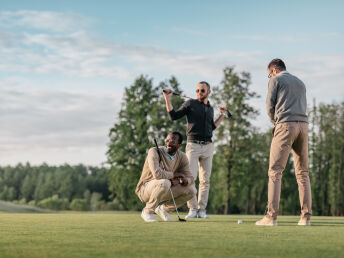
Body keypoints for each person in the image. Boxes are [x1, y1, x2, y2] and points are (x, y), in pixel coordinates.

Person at [256, 58, 312, 226]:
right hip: (304, 127)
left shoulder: (276, 80)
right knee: (303, 173)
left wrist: (276, 122)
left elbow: (269, 106)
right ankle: (305, 218)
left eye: (269, 75)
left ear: (273, 70)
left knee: (275, 171)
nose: (269, 77)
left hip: (285, 125)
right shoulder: (300, 82)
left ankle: (271, 217)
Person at [162, 82, 227, 219]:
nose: (199, 92)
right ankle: (192, 208)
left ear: (208, 91)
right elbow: (173, 116)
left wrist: (222, 114)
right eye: (197, 90)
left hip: (208, 146)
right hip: (193, 146)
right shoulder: (190, 104)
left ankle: (201, 210)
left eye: (202, 90)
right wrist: (167, 99)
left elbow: (212, 127)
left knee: (205, 180)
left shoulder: (209, 108)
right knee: (190, 178)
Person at [135, 132, 196, 222]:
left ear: (179, 145)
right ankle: (147, 212)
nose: (168, 143)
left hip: (165, 187)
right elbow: (157, 174)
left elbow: (190, 178)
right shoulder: (154, 151)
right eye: (167, 140)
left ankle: (163, 210)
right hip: (145, 189)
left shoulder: (182, 156)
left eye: (172, 141)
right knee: (165, 182)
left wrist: (181, 181)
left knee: (192, 190)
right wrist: (175, 175)